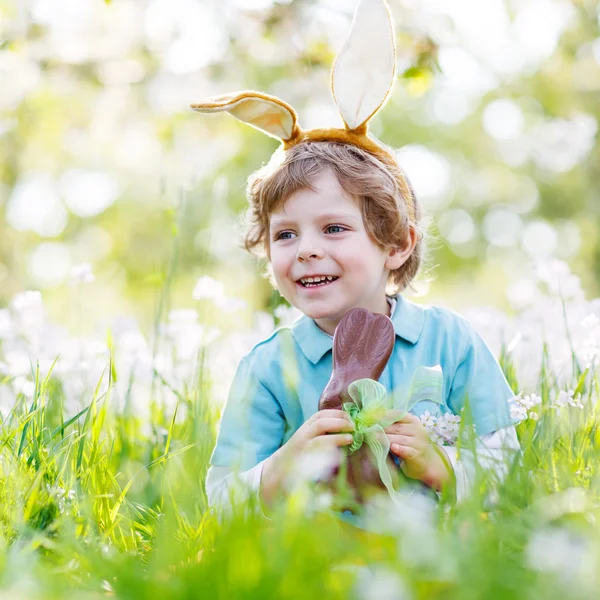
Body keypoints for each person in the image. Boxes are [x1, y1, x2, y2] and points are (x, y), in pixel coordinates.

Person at [192, 0, 520, 521]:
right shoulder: (267, 368)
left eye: (335, 228)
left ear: (397, 243)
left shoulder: (452, 344)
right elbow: (221, 499)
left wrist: (444, 465)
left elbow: (512, 466)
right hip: (311, 568)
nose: (306, 249)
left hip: (430, 567)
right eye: (285, 234)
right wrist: (283, 466)